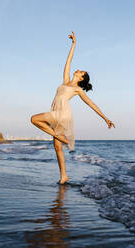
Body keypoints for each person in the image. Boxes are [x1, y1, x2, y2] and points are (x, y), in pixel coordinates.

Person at [31, 32, 115, 184]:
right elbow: (68, 61)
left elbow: (91, 104)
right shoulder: (66, 81)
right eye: (80, 69)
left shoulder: (78, 90)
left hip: (62, 114)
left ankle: (61, 138)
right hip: (55, 113)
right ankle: (64, 176)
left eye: (81, 71)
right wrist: (74, 44)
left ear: (81, 78)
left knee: (34, 119)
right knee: (57, 148)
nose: (78, 70)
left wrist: (105, 118)